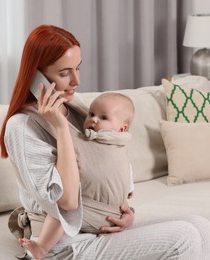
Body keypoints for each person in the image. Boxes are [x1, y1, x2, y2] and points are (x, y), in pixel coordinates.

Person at [0, 24, 210, 259]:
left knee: (201, 226)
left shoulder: (76, 106)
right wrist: (61, 129)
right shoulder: (22, 127)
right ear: (36, 76)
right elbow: (68, 201)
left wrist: (125, 212)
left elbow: (104, 165)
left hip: (97, 229)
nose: (76, 81)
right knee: (185, 237)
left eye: (78, 69)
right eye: (64, 73)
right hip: (63, 244)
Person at [18, 92, 136, 259]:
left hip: (109, 214)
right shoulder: (115, 142)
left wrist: (126, 203)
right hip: (113, 214)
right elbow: (124, 175)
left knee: (62, 209)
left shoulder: (109, 143)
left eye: (103, 117)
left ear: (122, 128)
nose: (94, 119)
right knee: (66, 204)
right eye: (92, 114)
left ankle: (42, 247)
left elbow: (123, 174)